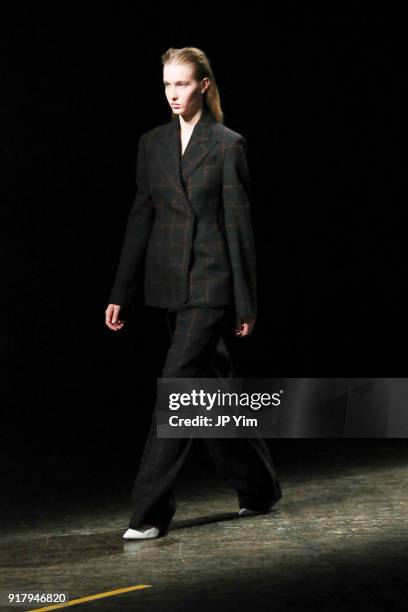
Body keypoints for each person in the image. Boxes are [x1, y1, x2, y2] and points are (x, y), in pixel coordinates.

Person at [105, 47, 282, 539]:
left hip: (210, 285)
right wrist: (122, 291)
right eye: (167, 85)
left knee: (177, 390)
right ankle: (260, 487)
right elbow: (141, 220)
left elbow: (238, 228)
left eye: (182, 84)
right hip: (167, 285)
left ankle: (149, 512)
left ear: (204, 85)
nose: (173, 94)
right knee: (211, 393)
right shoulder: (152, 144)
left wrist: (245, 302)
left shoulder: (227, 145)